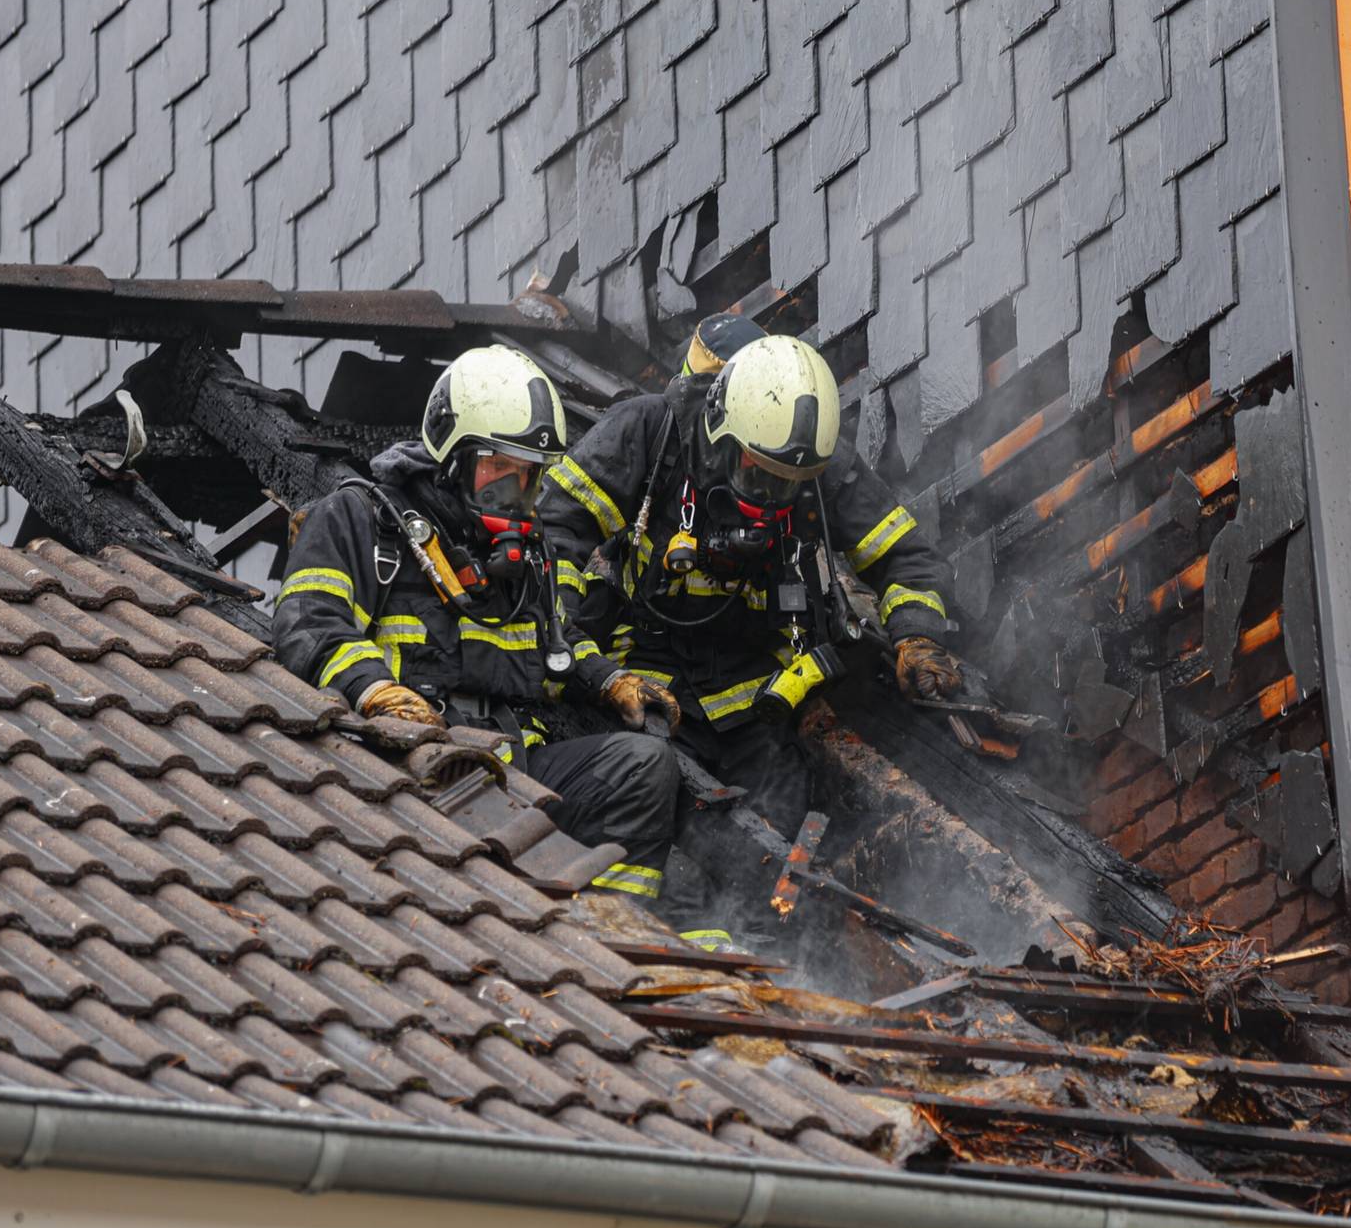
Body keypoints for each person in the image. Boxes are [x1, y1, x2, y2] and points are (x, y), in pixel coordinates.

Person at [273, 344, 682, 900]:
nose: (514, 494)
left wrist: (609, 679)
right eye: (498, 469)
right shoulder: (363, 521)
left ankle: (608, 931)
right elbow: (309, 622)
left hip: (512, 769)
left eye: (528, 476)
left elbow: (556, 646)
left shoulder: (527, 557)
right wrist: (373, 691)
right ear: (452, 457)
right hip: (406, 768)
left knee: (646, 767)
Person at [538, 322, 965, 845]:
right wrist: (584, 656)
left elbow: (906, 556)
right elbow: (553, 531)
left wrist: (916, 636)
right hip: (643, 672)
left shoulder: (817, 465)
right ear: (720, 431)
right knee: (664, 817)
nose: (770, 497)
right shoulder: (650, 432)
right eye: (757, 474)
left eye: (788, 483)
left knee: (770, 836)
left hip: (759, 691)